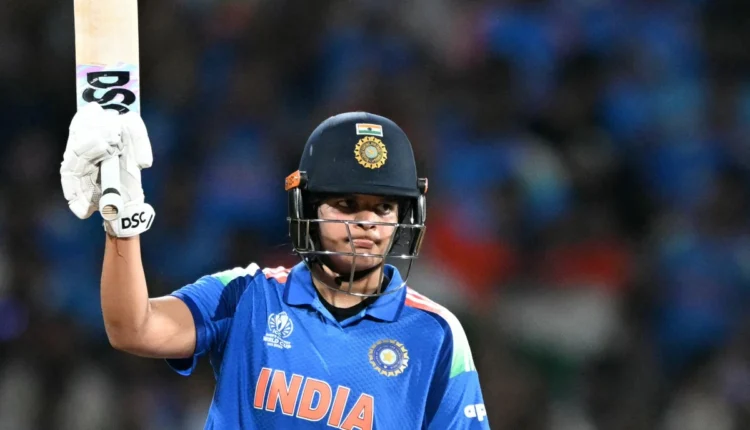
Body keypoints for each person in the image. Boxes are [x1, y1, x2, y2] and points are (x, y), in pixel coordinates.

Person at [60, 103, 490, 429]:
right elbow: (132, 328)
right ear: (307, 207)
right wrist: (121, 223)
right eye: (346, 204)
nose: (366, 223)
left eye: (383, 207)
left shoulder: (436, 334)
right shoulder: (248, 295)